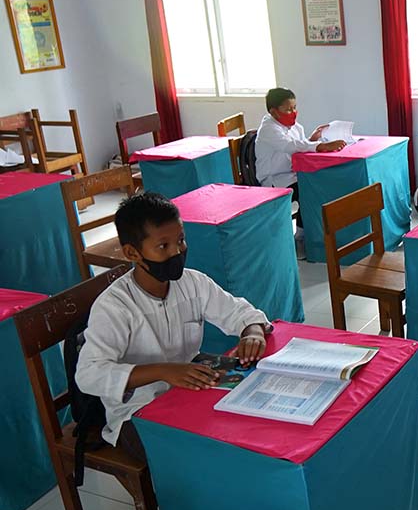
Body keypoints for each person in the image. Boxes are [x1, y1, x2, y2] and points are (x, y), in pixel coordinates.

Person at [76, 193, 272, 462]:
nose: (177, 252)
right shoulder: (115, 306)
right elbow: (88, 375)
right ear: (133, 253)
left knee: (252, 418)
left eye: (180, 240)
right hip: (138, 410)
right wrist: (163, 371)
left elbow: (238, 310)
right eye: (163, 246)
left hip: (189, 387)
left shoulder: (191, 282)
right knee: (196, 455)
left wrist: (252, 330)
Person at [255, 87, 346, 225]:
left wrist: (313, 139)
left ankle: (312, 230)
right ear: (274, 112)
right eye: (288, 110)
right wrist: (322, 146)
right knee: (310, 191)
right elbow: (290, 146)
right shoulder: (268, 129)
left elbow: (300, 146)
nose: (293, 112)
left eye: (294, 107)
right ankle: (303, 234)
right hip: (276, 179)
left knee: (322, 182)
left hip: (294, 173)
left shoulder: (295, 126)